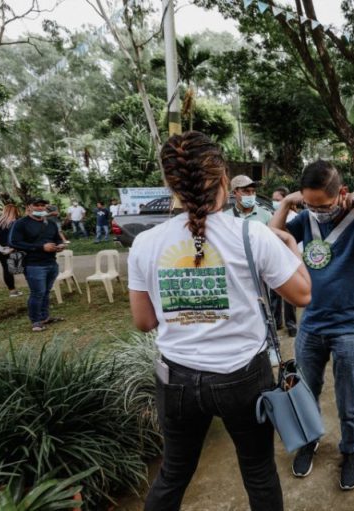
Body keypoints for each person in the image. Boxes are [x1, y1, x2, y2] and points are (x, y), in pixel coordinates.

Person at [128, 131, 311, 511]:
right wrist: (293, 248)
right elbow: (303, 295)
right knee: (258, 472)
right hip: (242, 376)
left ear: (171, 184)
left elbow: (144, 321)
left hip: (175, 378)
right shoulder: (252, 234)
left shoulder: (145, 243)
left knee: (174, 474)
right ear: (224, 179)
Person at [270, 160, 354, 491]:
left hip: (349, 327)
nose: (315, 210)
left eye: (321, 204)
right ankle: (309, 441)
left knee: (348, 397)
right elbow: (270, 239)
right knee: (307, 392)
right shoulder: (306, 217)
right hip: (311, 323)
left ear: (340, 194)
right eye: (308, 203)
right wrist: (284, 204)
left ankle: (350, 451)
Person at [8, 198, 66, 332]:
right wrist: (41, 247)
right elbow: (14, 242)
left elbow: (57, 238)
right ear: (29, 207)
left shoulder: (50, 223)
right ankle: (36, 322)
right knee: (37, 293)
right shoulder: (21, 223)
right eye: (37, 205)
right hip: (33, 264)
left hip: (51, 263)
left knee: (46, 292)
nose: (40, 208)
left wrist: (60, 245)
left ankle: (45, 317)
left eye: (43, 205)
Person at [269, 187, 298, 340]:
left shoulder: (294, 217)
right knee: (274, 295)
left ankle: (291, 326)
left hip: (288, 261)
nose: (275, 203)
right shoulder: (272, 216)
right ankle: (276, 322)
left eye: (278, 200)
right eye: (273, 200)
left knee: (289, 297)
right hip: (274, 260)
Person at [0, 204, 23, 297]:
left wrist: (0, 248)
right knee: (22, 266)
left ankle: (12, 291)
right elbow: (18, 238)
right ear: (15, 211)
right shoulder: (16, 222)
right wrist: (12, 248)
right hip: (13, 248)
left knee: (6, 269)